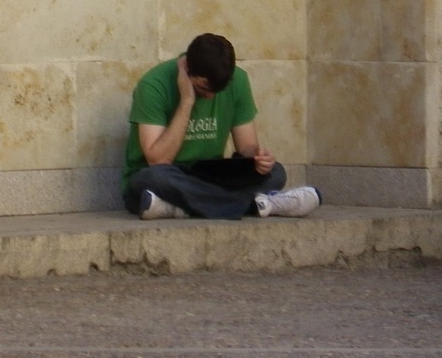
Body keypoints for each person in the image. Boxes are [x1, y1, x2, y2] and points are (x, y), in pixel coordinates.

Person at [122, 33, 321, 220]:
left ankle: (179, 208)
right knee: (155, 178)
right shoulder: (153, 85)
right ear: (187, 68)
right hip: (166, 174)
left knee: (275, 172)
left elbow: (246, 147)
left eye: (218, 90)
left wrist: (259, 158)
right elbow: (158, 160)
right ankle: (259, 205)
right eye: (204, 89)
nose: (210, 97)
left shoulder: (239, 80)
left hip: (208, 173)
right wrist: (187, 101)